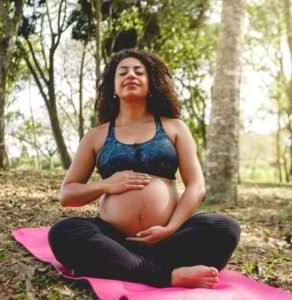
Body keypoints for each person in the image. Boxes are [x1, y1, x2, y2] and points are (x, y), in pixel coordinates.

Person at [48, 49, 240, 289]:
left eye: (139, 72)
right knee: (64, 232)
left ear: (152, 84)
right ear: (113, 87)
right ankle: (168, 275)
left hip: (169, 240)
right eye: (123, 72)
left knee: (224, 227)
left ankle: (126, 267)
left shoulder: (174, 127)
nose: (131, 75)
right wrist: (106, 184)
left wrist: (170, 228)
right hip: (114, 240)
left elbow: (196, 186)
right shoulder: (95, 136)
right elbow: (67, 195)